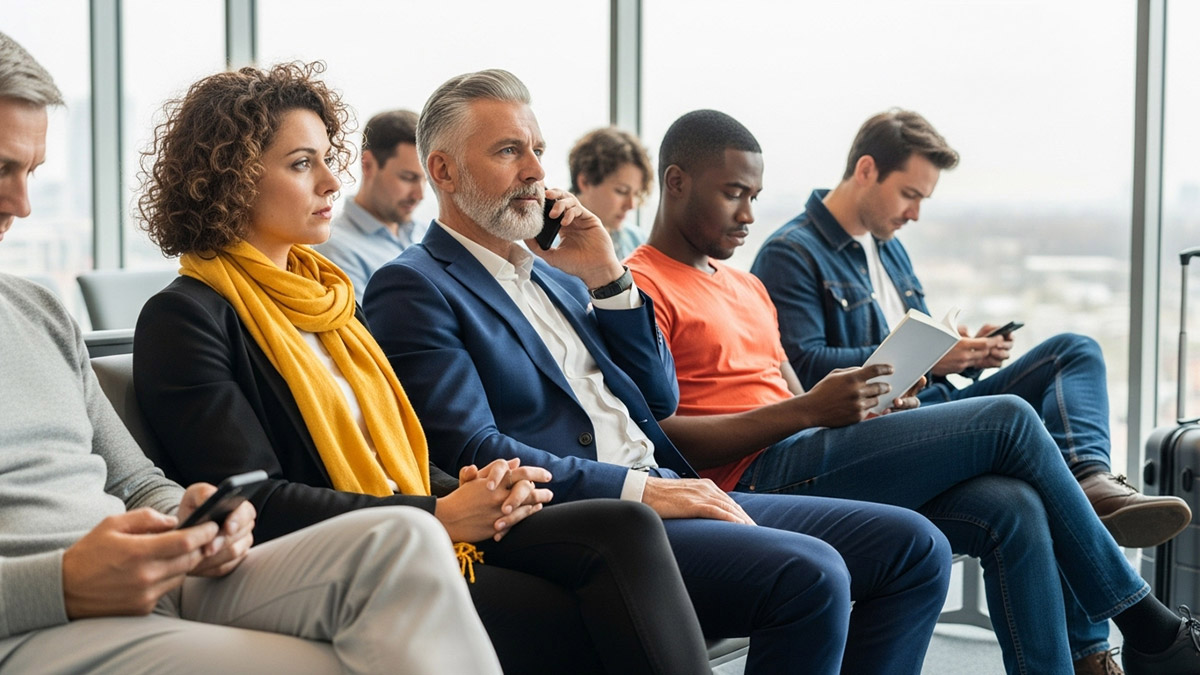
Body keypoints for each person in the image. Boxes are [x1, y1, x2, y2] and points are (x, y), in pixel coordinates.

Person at [363, 68, 954, 675]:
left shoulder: (560, 273)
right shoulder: (414, 285)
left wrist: (607, 275)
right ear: (443, 171)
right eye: (509, 151)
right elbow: (475, 447)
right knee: (813, 575)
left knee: (917, 547)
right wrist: (647, 490)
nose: (537, 171)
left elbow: (658, 394)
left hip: (664, 484)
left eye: (537, 149)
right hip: (593, 514)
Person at [131, 61, 712, 675]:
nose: (333, 181)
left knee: (623, 526)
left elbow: (395, 454)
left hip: (414, 522)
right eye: (303, 164)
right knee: (581, 602)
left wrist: (475, 489)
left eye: (329, 158)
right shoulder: (184, 317)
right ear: (230, 180)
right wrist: (437, 514)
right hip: (335, 556)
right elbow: (253, 500)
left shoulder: (330, 302)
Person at [626, 108, 1200, 675]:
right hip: (748, 478)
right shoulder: (640, 287)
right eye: (734, 194)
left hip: (810, 451)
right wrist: (811, 409)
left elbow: (798, 393)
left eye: (755, 195)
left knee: (1013, 505)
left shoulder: (747, 286)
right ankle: (1149, 625)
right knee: (1010, 419)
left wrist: (870, 408)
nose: (750, 213)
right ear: (676, 182)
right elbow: (659, 445)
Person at [0, 31, 503, 675]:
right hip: (43, 613)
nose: (22, 204)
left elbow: (135, 483)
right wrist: (62, 584)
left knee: (404, 539)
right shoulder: (190, 314)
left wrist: (194, 521)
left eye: (31, 172)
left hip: (153, 580)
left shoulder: (39, 312)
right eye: (2, 170)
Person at [749, 109, 1191, 551]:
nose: (916, 213)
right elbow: (803, 372)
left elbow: (914, 346)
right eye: (909, 194)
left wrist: (963, 352)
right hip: (874, 436)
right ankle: (1089, 503)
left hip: (930, 404)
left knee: (1074, 352)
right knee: (1036, 483)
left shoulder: (890, 250)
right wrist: (931, 356)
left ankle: (1092, 481)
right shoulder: (791, 254)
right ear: (866, 170)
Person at [316, 109, 428, 302]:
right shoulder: (335, 249)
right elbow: (364, 331)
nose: (419, 195)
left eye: (426, 180)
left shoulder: (424, 233)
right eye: (408, 178)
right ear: (368, 165)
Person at [569, 126, 653, 259]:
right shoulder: (553, 249)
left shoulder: (638, 241)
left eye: (636, 194)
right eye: (622, 191)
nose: (631, 205)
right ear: (585, 182)